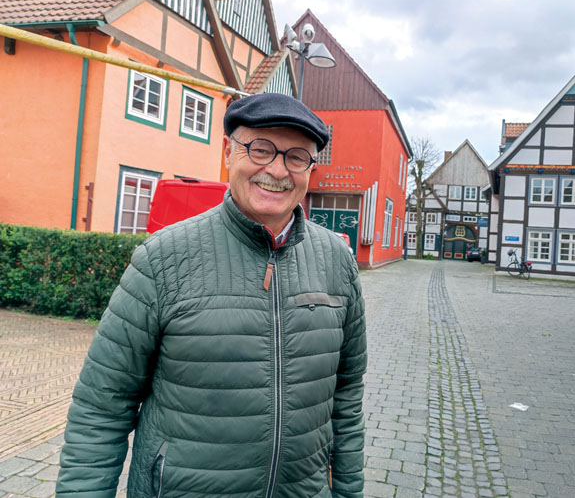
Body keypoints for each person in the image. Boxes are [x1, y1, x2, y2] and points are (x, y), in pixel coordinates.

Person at [56, 93, 367, 498]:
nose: (277, 169)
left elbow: (346, 398)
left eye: (296, 156)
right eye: (260, 149)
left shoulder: (338, 261)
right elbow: (101, 406)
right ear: (228, 152)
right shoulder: (162, 259)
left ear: (310, 168)